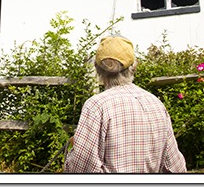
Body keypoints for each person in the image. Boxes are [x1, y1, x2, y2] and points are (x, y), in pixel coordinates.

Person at [64, 36, 187, 173]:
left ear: (97, 68)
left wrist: (74, 147)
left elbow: (80, 169)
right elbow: (176, 168)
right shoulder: (155, 103)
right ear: (134, 67)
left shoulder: (96, 106)